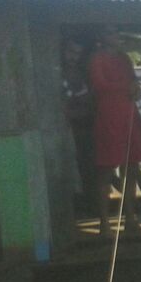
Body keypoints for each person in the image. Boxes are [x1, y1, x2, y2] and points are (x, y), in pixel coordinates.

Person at [88, 27, 141, 237]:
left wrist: (136, 89)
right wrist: (127, 86)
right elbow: (100, 84)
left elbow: (133, 80)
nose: (116, 36)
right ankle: (104, 223)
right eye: (112, 32)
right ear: (102, 36)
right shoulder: (96, 59)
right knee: (105, 170)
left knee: (131, 168)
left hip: (128, 113)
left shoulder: (124, 58)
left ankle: (130, 219)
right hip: (108, 116)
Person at [60, 38, 97, 211]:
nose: (73, 57)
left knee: (83, 169)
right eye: (70, 52)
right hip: (59, 132)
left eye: (77, 54)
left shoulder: (78, 76)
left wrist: (69, 113)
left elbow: (88, 105)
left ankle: (85, 207)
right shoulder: (55, 72)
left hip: (77, 130)